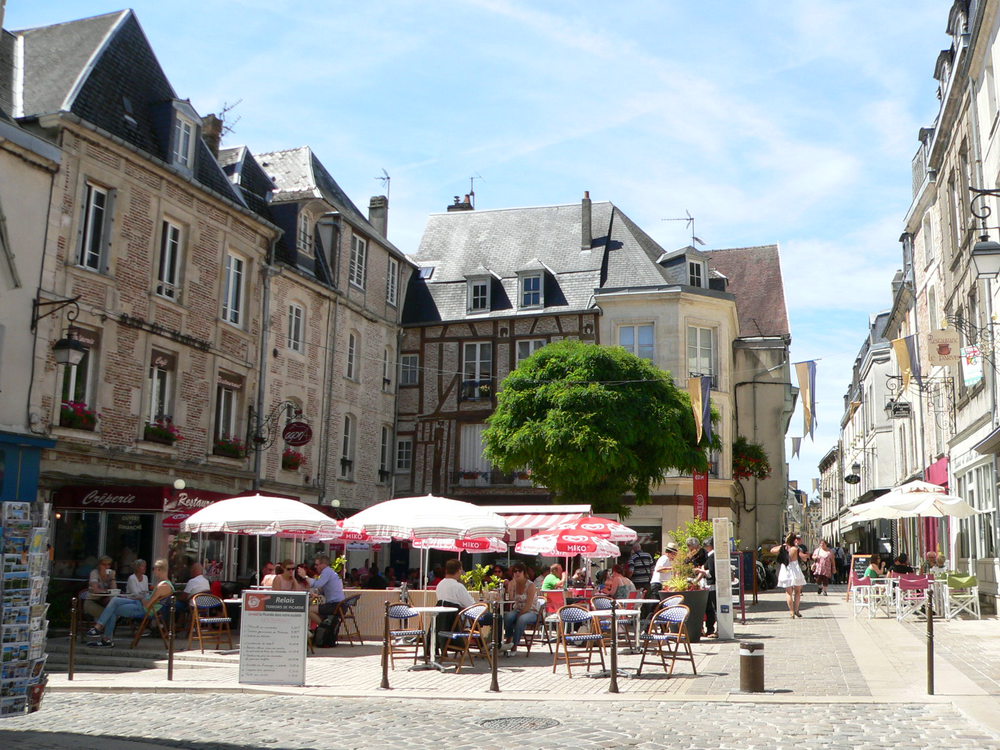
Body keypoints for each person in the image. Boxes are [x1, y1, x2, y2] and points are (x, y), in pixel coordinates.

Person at [86, 559, 174, 647]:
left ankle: (105, 637)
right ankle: (99, 628)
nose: (153, 571)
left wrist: (142, 598)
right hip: (139, 604)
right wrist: (143, 598)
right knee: (115, 600)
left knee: (111, 610)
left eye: (153, 568)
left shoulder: (163, 586)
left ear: (159, 569)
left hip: (143, 609)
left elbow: (147, 605)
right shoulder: (164, 584)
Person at [501, 564, 538, 654]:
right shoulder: (514, 584)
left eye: (519, 571)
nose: (517, 573)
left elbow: (529, 605)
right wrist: (510, 587)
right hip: (517, 610)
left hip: (531, 611)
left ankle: (514, 645)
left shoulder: (530, 585)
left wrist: (520, 614)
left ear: (524, 573)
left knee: (521, 619)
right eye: (515, 571)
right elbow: (510, 600)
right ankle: (508, 638)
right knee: (508, 616)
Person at [302, 555, 345, 628]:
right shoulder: (331, 572)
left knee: (308, 609)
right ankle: (325, 626)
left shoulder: (326, 571)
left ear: (323, 565)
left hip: (335, 605)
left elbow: (317, 584)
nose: (315, 567)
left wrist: (305, 576)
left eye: (317, 564)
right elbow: (321, 589)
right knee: (316, 611)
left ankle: (326, 627)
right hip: (340, 605)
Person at [771, 533, 807, 618]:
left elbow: (772, 550)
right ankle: (796, 610)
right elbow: (804, 557)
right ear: (794, 540)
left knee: (788, 592)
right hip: (795, 569)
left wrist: (783, 546)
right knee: (797, 592)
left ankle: (791, 612)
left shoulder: (783, 548)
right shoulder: (796, 548)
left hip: (786, 569)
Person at [695, 538, 718, 638]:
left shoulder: (712, 556)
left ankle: (711, 629)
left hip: (711, 585)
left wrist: (700, 571)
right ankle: (710, 629)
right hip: (709, 585)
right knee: (710, 608)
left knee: (711, 608)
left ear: (709, 546)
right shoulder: (711, 556)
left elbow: (711, 573)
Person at [85, 555, 116, 621]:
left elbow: (114, 590)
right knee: (110, 616)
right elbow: (96, 589)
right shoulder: (95, 573)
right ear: (99, 565)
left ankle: (102, 629)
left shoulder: (109, 575)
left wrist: (113, 578)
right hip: (92, 602)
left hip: (104, 602)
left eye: (109, 564)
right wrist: (108, 592)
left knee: (115, 613)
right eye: (104, 564)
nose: (107, 567)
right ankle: (99, 630)